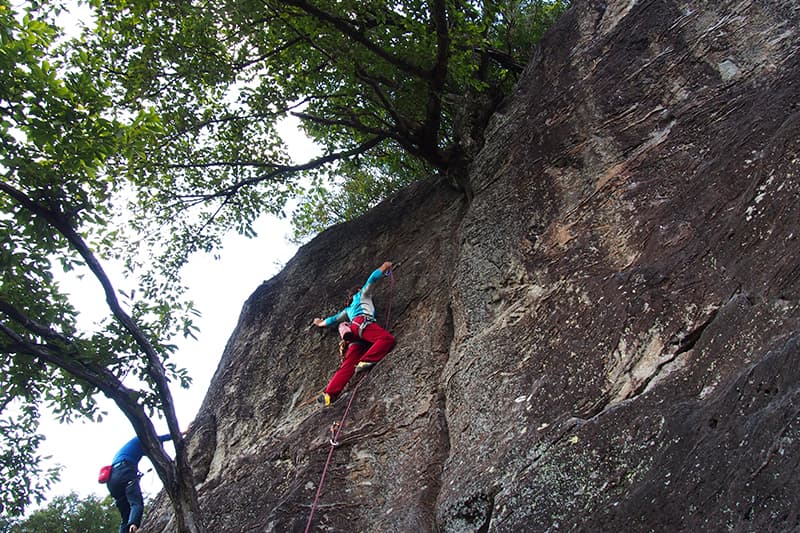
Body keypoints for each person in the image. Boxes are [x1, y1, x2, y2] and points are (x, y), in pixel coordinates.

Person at [313, 261, 396, 406]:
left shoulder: (347, 310)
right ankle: (366, 360)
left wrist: (319, 323)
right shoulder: (362, 295)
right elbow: (371, 280)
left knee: (347, 365)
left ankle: (328, 395)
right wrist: (384, 267)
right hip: (363, 324)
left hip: (355, 332)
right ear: (358, 291)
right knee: (386, 339)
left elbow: (332, 320)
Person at [106, 433, 173, 533]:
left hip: (112, 481)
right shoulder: (141, 437)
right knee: (136, 503)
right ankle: (133, 525)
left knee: (125, 516)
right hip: (125, 472)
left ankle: (127, 527)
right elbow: (159, 438)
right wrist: (183, 432)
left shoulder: (128, 449)